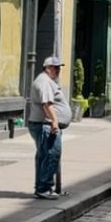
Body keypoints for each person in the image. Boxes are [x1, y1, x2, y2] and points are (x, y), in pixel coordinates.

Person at [27, 55, 71, 199]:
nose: (58, 70)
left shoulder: (46, 81)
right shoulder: (44, 82)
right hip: (45, 124)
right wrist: (54, 122)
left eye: (59, 68)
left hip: (44, 124)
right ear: (47, 68)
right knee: (52, 154)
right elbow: (47, 104)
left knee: (44, 156)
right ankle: (44, 187)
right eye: (55, 67)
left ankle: (42, 187)